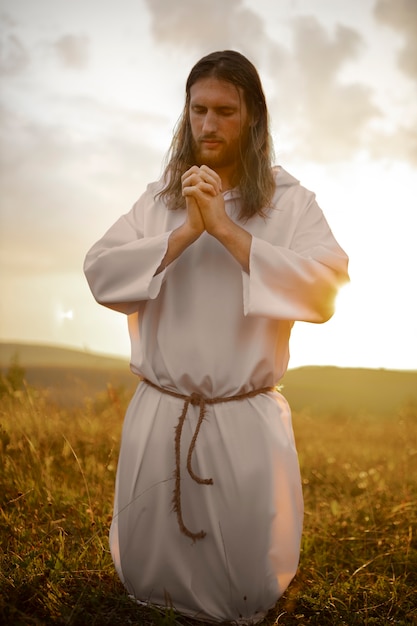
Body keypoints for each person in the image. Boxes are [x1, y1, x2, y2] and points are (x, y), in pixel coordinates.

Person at [84, 50, 349, 625]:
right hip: (161, 416)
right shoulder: (159, 201)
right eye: (198, 109)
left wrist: (226, 231)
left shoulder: (290, 203)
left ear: (252, 115)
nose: (208, 125)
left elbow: (327, 290)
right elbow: (100, 272)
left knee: (242, 591)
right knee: (149, 590)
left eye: (224, 111)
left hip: (241, 423)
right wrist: (184, 234)